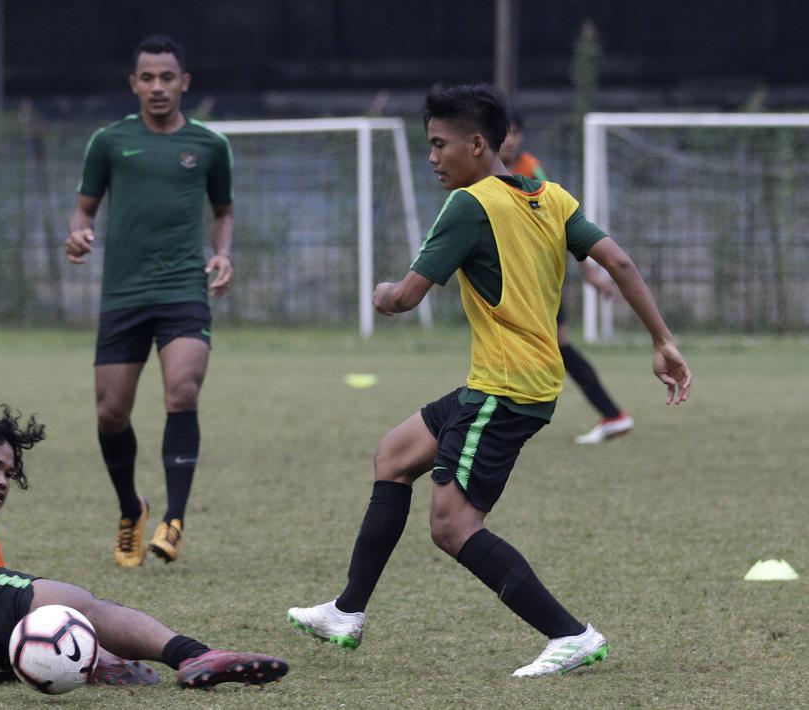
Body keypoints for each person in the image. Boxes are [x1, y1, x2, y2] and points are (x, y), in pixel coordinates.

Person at [287, 84, 692, 677]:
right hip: (513, 382)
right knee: (394, 455)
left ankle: (570, 635)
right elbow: (620, 262)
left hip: (506, 389)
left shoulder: (469, 205)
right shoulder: (552, 197)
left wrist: (381, 294)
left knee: (452, 526)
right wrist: (662, 340)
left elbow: (405, 297)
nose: (432, 157)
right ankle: (347, 611)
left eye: (439, 144)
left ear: (476, 144)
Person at [0, 280, 288, 689]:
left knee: (36, 630)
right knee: (81, 606)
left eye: (8, 473)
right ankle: (193, 655)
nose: (2, 481)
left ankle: (97, 661)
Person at [66, 34, 234, 567]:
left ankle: (174, 520)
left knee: (182, 390)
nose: (157, 86)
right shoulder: (109, 142)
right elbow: (84, 208)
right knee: (111, 412)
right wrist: (78, 233)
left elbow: (223, 211)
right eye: (147, 78)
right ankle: (130, 509)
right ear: (133, 84)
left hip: (184, 289)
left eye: (167, 77)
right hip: (124, 294)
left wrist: (222, 253)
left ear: (185, 82)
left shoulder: (210, 146)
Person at [500, 113, 633, 444]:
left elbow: (561, 222)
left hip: (539, 279)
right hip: (513, 278)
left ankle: (612, 414)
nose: (509, 139)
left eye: (515, 132)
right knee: (544, 348)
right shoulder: (482, 176)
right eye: (504, 132)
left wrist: (589, 272)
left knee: (545, 348)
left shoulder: (531, 171)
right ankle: (611, 414)